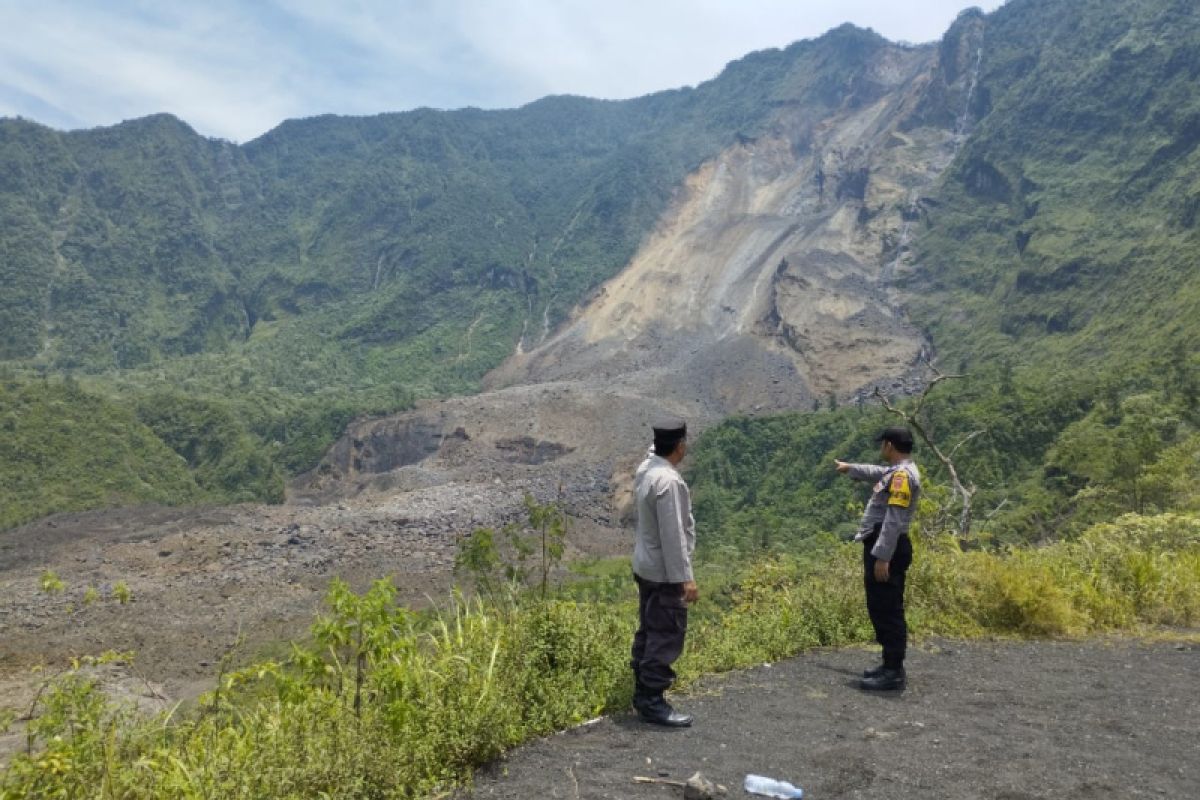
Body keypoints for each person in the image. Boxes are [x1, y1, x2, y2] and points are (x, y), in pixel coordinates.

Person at [835, 426, 921, 691]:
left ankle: (894, 672)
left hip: (887, 548)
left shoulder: (902, 477)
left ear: (889, 445)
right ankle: (889, 664)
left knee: (888, 608)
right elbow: (876, 472)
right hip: (885, 547)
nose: (881, 449)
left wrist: (883, 557)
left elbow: (893, 519)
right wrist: (850, 468)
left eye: (883, 444)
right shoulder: (897, 472)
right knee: (881, 604)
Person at [629, 419, 698, 726]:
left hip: (645, 565)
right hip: (664, 572)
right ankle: (652, 701)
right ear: (680, 447)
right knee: (666, 633)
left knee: (648, 628)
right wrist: (686, 578)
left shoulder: (647, 468)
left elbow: (652, 452)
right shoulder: (668, 482)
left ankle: (642, 690)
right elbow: (674, 536)